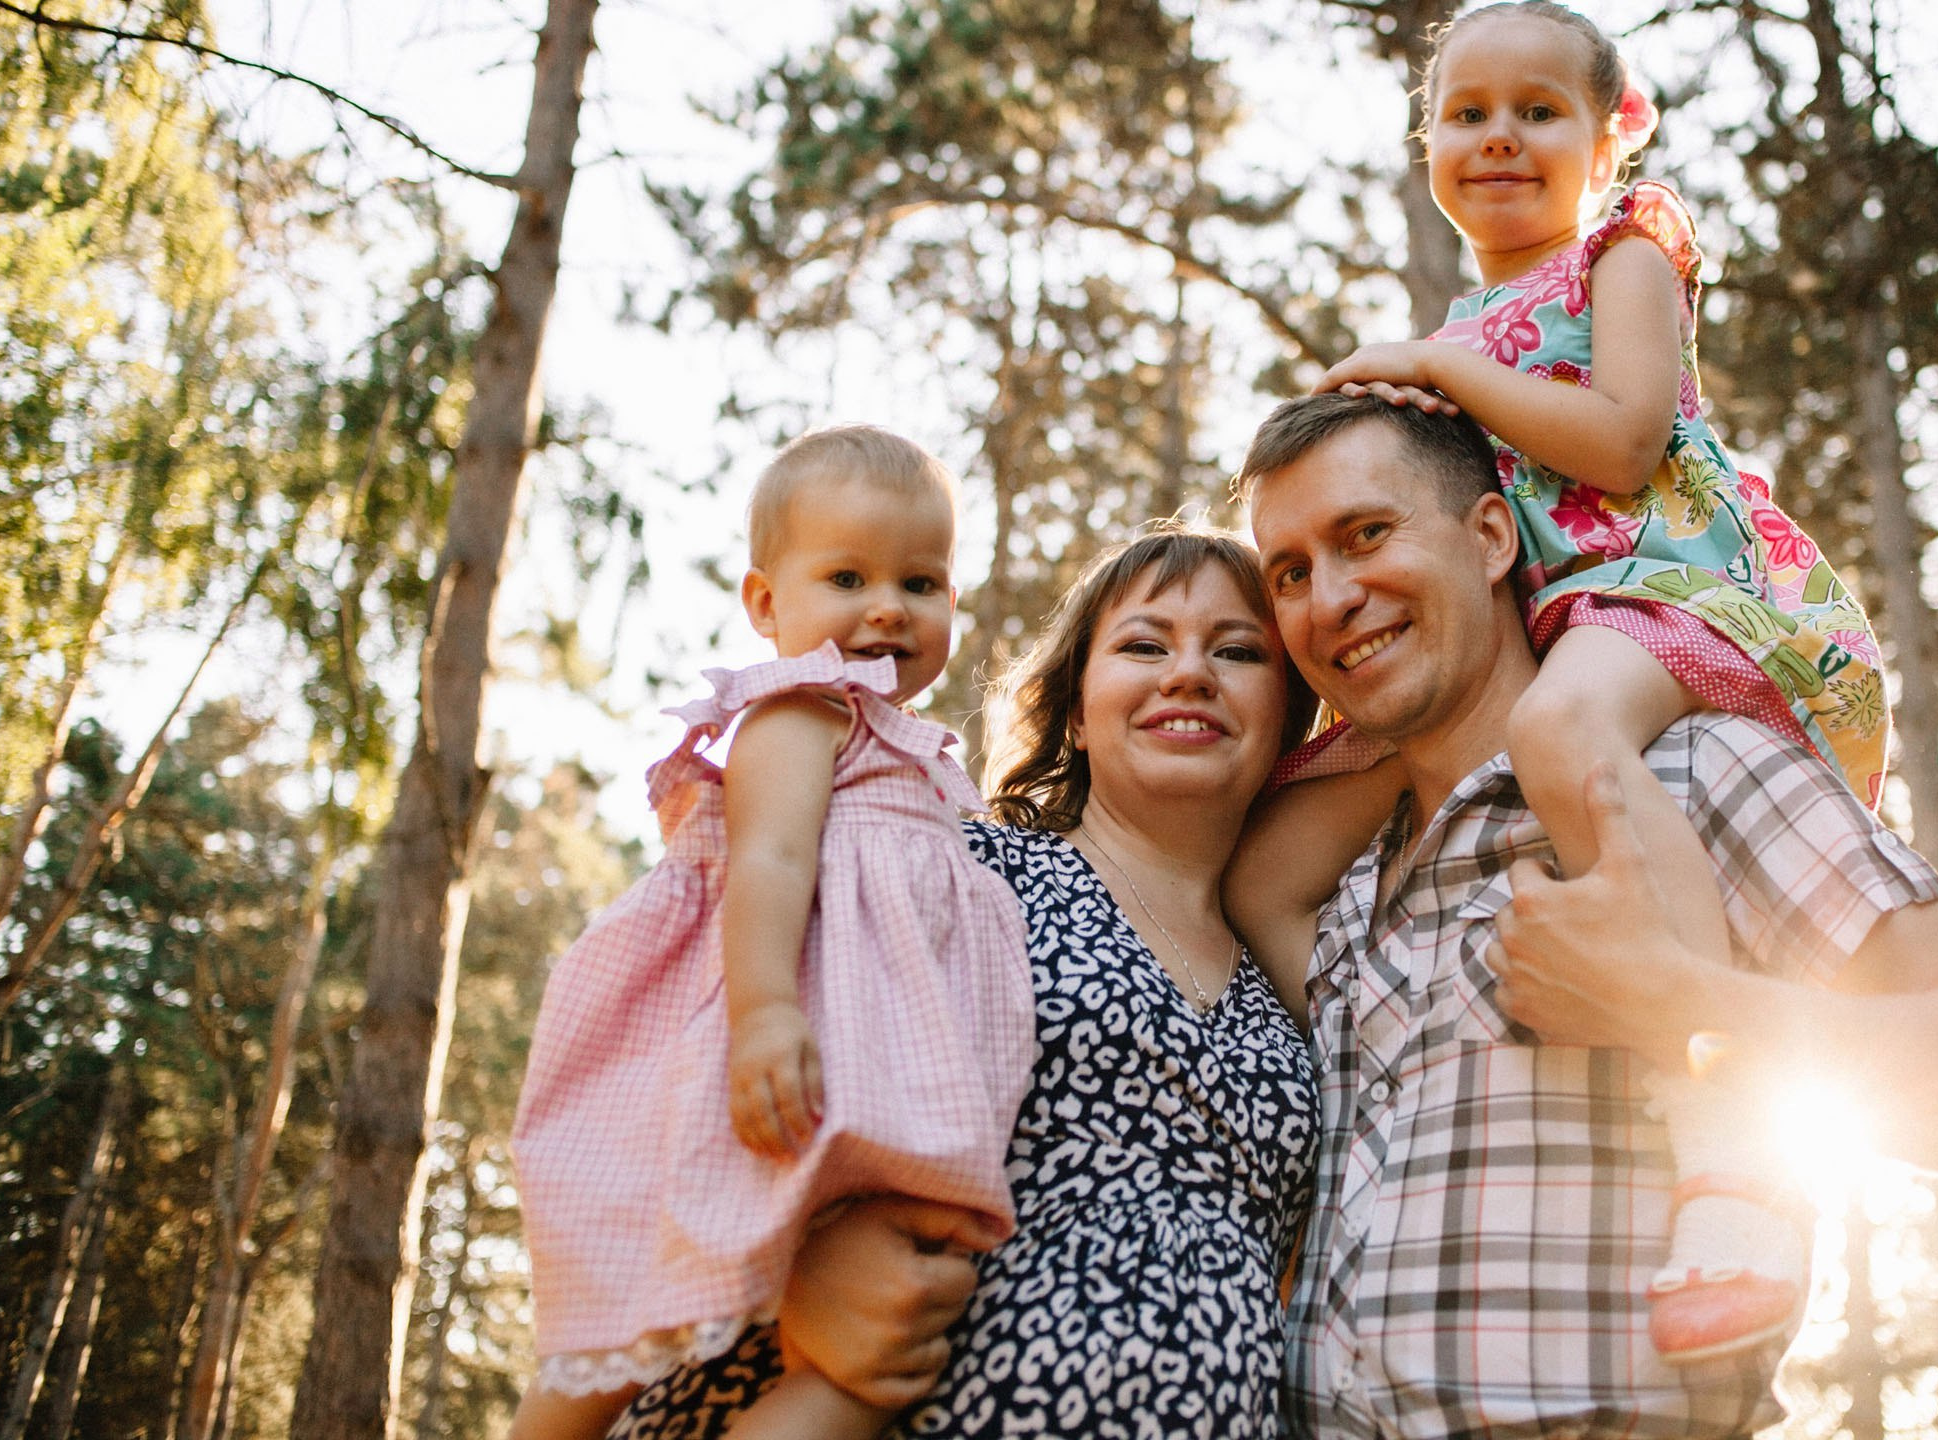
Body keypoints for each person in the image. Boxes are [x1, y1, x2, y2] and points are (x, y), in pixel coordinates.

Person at [1233, 394, 1938, 1439]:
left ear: (1490, 534)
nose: (1329, 598)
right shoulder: (1334, 887)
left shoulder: (1693, 773)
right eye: (1289, 573)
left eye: (1365, 533)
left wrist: (1683, 1004)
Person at [1249, 0, 1891, 1362]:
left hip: (1657, 582)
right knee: (1269, 855)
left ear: (1607, 138)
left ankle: (1734, 1124)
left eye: (1539, 112)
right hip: (1541, 609)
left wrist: (1439, 369)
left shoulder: (1624, 249)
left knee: (1567, 728)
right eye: (1466, 112)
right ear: (1429, 141)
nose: (1499, 137)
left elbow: (1618, 438)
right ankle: (1383, 1114)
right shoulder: (1467, 320)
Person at [603, 528, 1325, 1440]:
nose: (1190, 673)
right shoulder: (956, 867)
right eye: (1144, 644)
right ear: (1074, 710)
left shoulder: (1296, 975)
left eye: (1239, 651)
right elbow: (714, 1061)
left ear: (1292, 712)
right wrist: (794, 1276)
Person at [508, 426, 1038, 1440]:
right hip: (785, 1060)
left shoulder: (926, 758)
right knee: (653, 1296)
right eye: (848, 576)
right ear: (767, 603)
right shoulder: (803, 713)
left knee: (881, 1349)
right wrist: (762, 1013)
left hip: (881, 1091)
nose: (888, 605)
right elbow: (767, 862)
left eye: (921, 583)